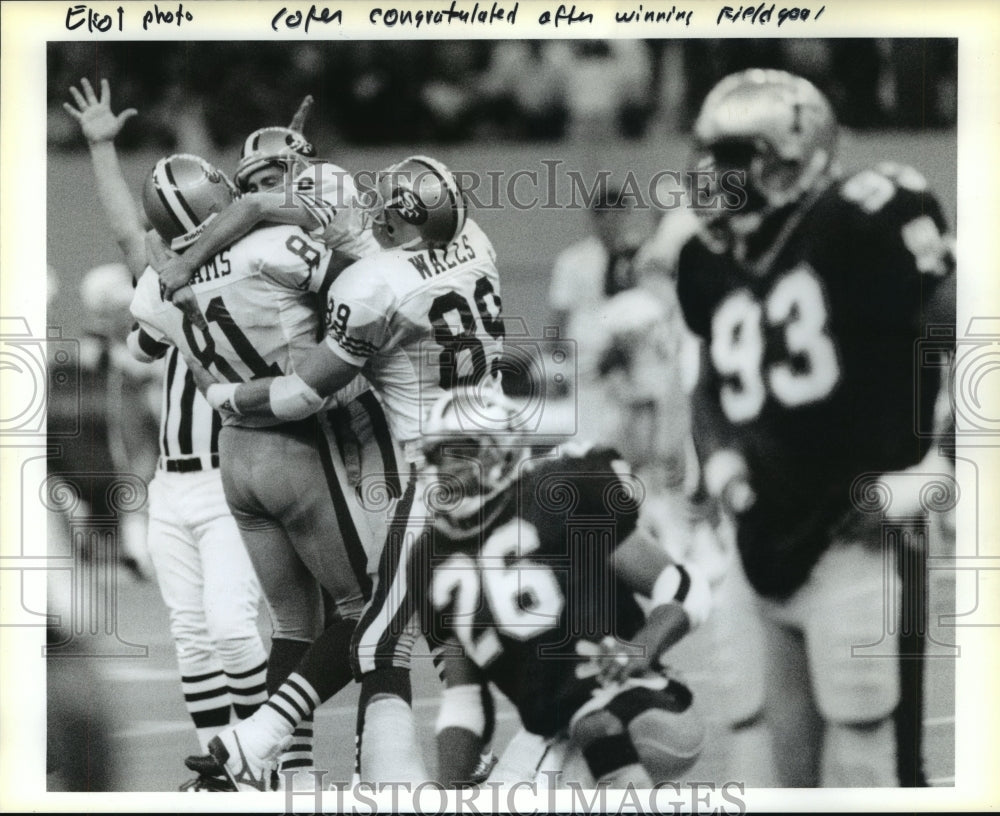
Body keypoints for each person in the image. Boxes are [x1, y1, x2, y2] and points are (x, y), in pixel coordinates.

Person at [675, 68, 956, 787]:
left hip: (860, 526)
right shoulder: (708, 258)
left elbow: (974, 330)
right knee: (761, 760)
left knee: (873, 764)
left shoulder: (866, 215)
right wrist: (719, 461)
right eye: (707, 156)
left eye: (732, 156)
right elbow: (708, 375)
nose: (712, 176)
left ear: (792, 153)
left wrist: (936, 469)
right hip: (760, 532)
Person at [184, 156, 503, 787]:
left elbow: (304, 393)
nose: (375, 211)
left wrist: (229, 399)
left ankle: (277, 749)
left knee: (377, 634)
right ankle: (464, 768)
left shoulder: (373, 286)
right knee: (445, 623)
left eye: (388, 205)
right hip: (502, 454)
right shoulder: (475, 243)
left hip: (445, 472)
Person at [129, 151, 405, 790]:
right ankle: (273, 740)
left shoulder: (154, 283)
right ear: (213, 200)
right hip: (299, 439)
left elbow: (149, 323)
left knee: (288, 623)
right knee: (366, 610)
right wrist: (342, 224)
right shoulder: (275, 245)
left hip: (236, 456)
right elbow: (371, 291)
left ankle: (296, 782)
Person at [63, 78, 269, 791]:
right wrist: (101, 149)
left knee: (235, 630)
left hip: (231, 472)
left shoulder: (266, 272)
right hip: (171, 482)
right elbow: (129, 233)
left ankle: (263, 760)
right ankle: (224, 769)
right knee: (191, 635)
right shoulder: (168, 274)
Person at [412, 387, 710, 787]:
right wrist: (444, 796)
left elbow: (682, 582)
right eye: (437, 454)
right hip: (558, 733)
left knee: (593, 722)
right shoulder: (432, 556)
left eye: (459, 450)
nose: (445, 467)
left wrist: (641, 646)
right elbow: (464, 701)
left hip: (642, 703)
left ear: (499, 450)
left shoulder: (556, 495)